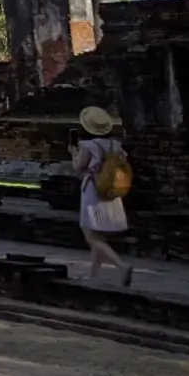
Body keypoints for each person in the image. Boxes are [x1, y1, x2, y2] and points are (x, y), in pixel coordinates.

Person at [74, 106, 132, 287]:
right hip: (110, 191)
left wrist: (73, 153)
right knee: (97, 236)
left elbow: (78, 167)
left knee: (90, 236)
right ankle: (94, 274)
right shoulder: (116, 145)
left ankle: (121, 266)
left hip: (93, 191)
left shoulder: (88, 146)